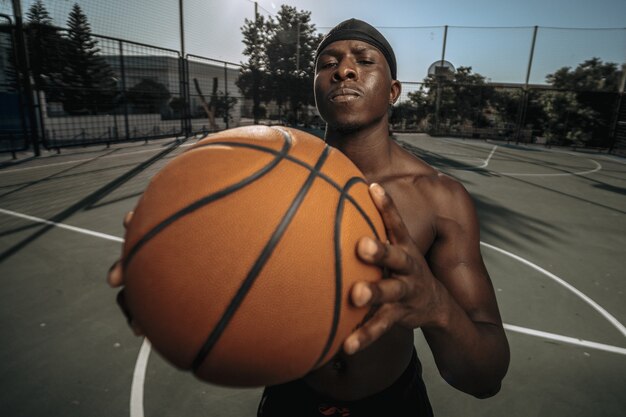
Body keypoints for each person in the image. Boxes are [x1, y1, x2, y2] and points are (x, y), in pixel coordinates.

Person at [108, 18, 510, 417]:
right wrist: (160, 282)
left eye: (364, 60)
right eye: (327, 63)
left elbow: (485, 378)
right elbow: (227, 289)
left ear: (393, 91)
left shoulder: (441, 198)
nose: (343, 70)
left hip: (393, 402)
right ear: (315, 87)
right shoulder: (262, 179)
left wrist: (437, 305)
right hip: (290, 398)